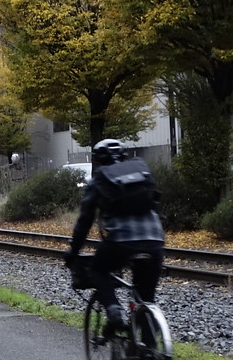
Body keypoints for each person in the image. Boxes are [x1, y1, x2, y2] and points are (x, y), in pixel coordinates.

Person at [64, 138, 165, 334]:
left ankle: (114, 310)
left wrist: (72, 252)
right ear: (125, 156)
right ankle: (151, 357)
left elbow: (84, 221)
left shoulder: (99, 180)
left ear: (98, 160)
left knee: (98, 269)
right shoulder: (141, 172)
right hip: (155, 240)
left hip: (121, 241)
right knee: (146, 299)